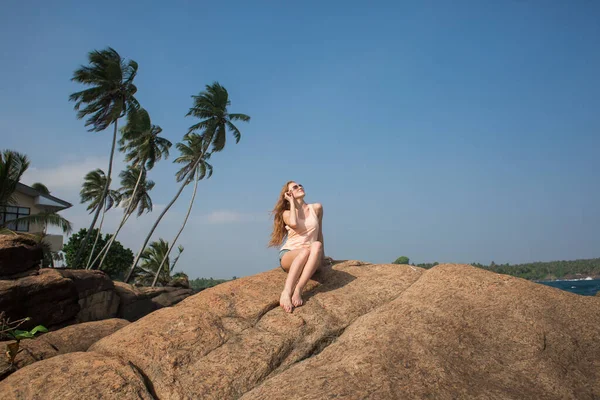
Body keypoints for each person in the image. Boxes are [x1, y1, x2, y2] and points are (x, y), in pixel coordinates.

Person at [268, 181, 330, 313]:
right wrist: (291, 203)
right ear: (288, 193)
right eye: (295, 187)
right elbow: (295, 224)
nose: (300, 187)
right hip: (290, 254)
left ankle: (298, 290)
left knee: (316, 245)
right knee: (304, 252)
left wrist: (322, 257)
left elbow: (319, 233)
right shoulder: (286, 213)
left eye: (300, 185)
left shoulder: (316, 208)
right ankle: (286, 292)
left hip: (311, 254)